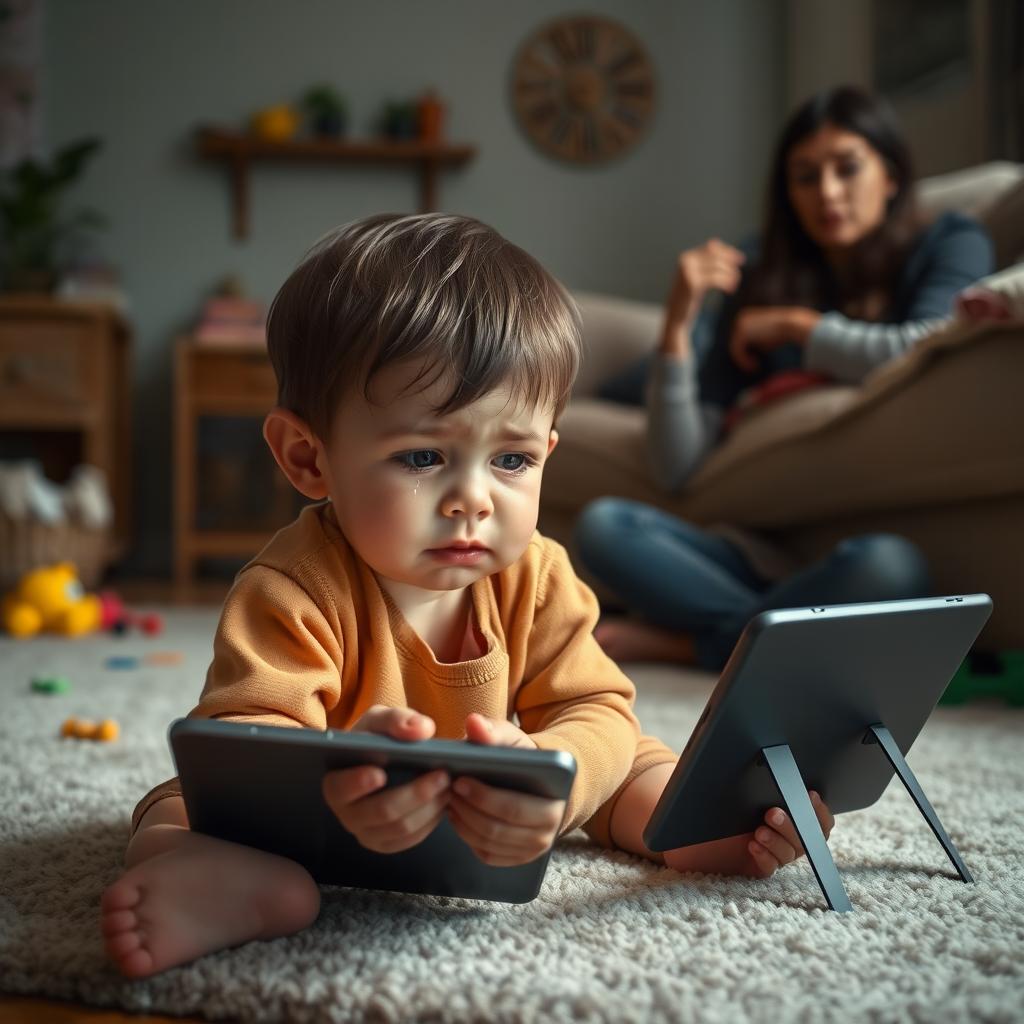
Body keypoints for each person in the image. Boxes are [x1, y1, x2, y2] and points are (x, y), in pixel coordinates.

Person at [100, 214, 835, 978]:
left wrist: (554, 773)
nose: (473, 500)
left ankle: (693, 828)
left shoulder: (538, 574)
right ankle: (215, 880)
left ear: (548, 450)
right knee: (189, 800)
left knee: (635, 761)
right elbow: (248, 738)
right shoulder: (293, 588)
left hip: (498, 792)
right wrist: (336, 777)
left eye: (511, 458)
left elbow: (597, 710)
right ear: (307, 458)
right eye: (423, 456)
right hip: (328, 814)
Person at [574, 86, 994, 669]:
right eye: (805, 177)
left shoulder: (949, 241)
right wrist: (677, 326)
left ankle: (700, 646)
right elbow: (678, 467)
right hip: (752, 551)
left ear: (891, 175)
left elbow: (925, 349)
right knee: (604, 526)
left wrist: (800, 329)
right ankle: (772, 634)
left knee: (891, 567)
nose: (827, 193)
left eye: (847, 169)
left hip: (857, 552)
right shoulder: (764, 275)